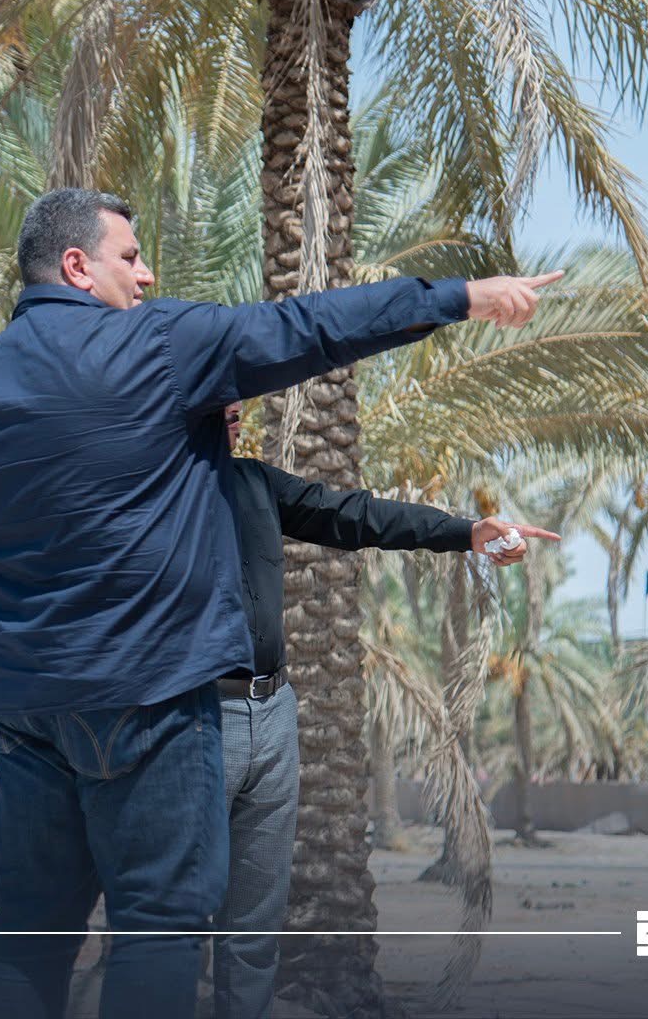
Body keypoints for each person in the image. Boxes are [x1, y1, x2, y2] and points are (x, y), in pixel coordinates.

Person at [0, 188, 562, 1018]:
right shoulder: (159, 343)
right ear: (76, 267)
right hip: (151, 703)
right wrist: (460, 296)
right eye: (129, 257)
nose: (146, 275)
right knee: (158, 929)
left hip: (29, 712)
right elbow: (312, 326)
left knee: (30, 932)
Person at [211, 402, 558, 1019]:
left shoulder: (255, 483)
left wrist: (466, 533)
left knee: (254, 931)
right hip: (194, 721)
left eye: (238, 391)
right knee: (167, 922)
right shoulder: (146, 491)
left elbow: (358, 514)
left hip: (273, 713)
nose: (236, 404)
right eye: (217, 390)